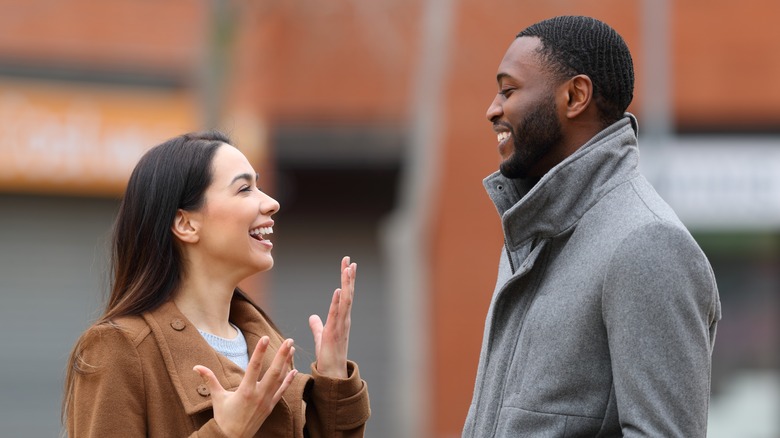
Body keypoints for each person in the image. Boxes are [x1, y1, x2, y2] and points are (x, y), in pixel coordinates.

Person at [463, 16, 721, 437]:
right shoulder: (533, 235)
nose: (493, 110)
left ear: (575, 96)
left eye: (509, 91)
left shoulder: (648, 244)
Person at [63, 131, 370, 437]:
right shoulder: (119, 349)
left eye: (259, 186)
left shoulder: (269, 350)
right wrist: (225, 432)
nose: (271, 203)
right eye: (245, 188)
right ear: (185, 223)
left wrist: (333, 383)